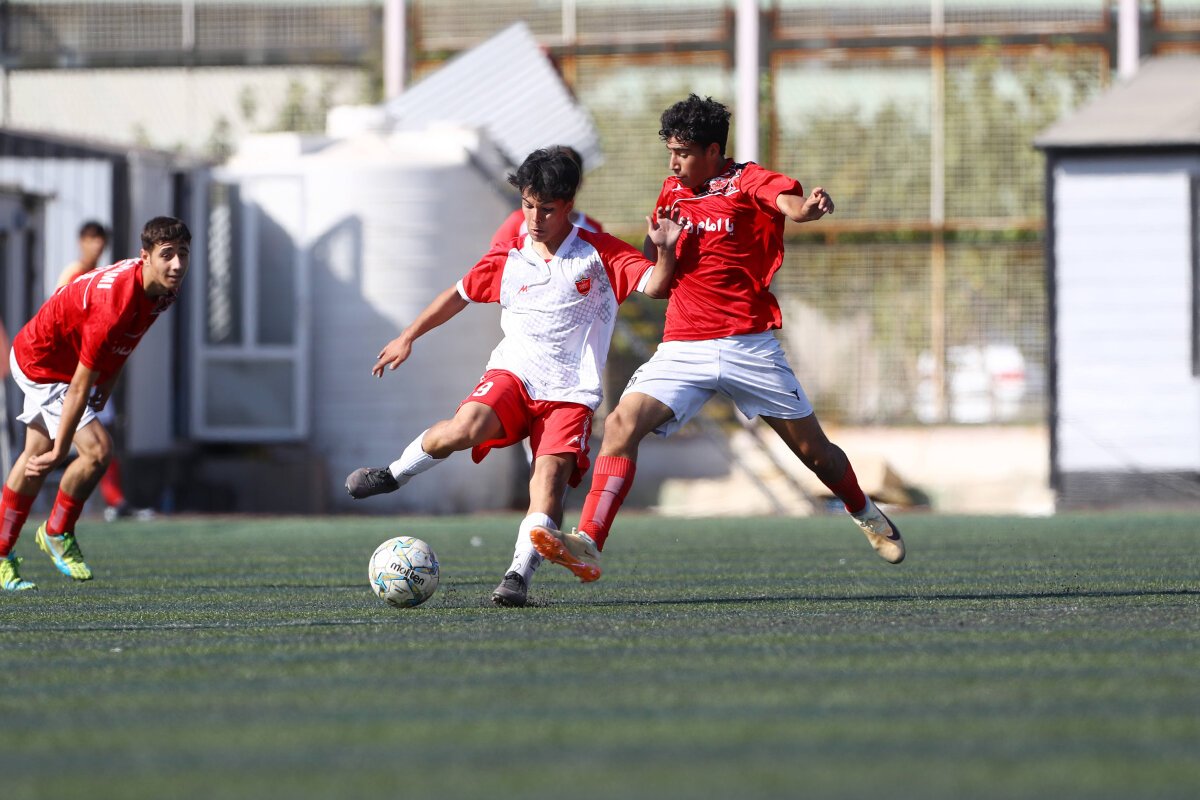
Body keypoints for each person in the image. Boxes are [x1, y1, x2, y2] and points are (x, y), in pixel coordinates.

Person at [531, 94, 906, 584]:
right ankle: (589, 542)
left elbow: (789, 205)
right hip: (683, 345)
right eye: (670, 152)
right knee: (622, 423)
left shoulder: (748, 179)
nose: (674, 163)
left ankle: (865, 512)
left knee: (815, 453)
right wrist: (660, 248)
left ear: (713, 151)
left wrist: (808, 209)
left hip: (749, 344)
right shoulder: (671, 191)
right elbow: (657, 266)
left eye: (683, 153)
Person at [345, 147, 681, 607]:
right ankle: (393, 475)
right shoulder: (509, 257)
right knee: (464, 428)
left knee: (548, 479)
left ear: (569, 204)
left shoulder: (599, 252)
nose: (535, 218)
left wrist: (665, 250)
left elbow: (657, 286)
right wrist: (408, 336)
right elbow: (458, 294)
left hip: (570, 394)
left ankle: (517, 577)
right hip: (514, 375)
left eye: (547, 209)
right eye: (528, 205)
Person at [0, 217, 190, 591]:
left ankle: (1, 553)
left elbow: (131, 334)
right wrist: (60, 450)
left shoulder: (162, 287)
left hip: (59, 359)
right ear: (145, 257)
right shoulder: (113, 305)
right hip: (44, 363)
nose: (177, 264)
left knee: (33, 459)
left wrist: (110, 378)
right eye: (167, 255)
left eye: (183, 254)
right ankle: (56, 531)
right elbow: (77, 388)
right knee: (97, 451)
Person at [56, 220, 154, 523]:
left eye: (100, 239)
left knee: (101, 441)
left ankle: (114, 501)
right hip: (70, 373)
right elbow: (59, 317)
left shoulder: (106, 276)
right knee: (52, 445)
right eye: (90, 239)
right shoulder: (74, 274)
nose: (96, 245)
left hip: (93, 370)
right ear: (81, 242)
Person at [490, 146, 604, 247]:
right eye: (552, 176)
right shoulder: (518, 222)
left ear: (580, 182)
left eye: (567, 178)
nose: (536, 218)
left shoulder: (592, 230)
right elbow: (496, 258)